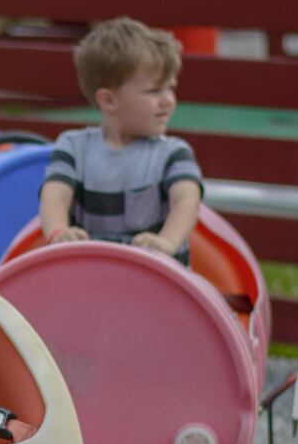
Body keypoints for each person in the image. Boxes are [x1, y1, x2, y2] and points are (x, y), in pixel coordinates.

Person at [38, 16, 203, 267]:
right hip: (91, 278)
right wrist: (60, 233)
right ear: (108, 100)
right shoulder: (73, 147)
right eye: (154, 91)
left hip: (161, 281)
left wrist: (166, 242)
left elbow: (186, 201)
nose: (167, 100)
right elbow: (54, 196)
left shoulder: (174, 154)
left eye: (170, 88)